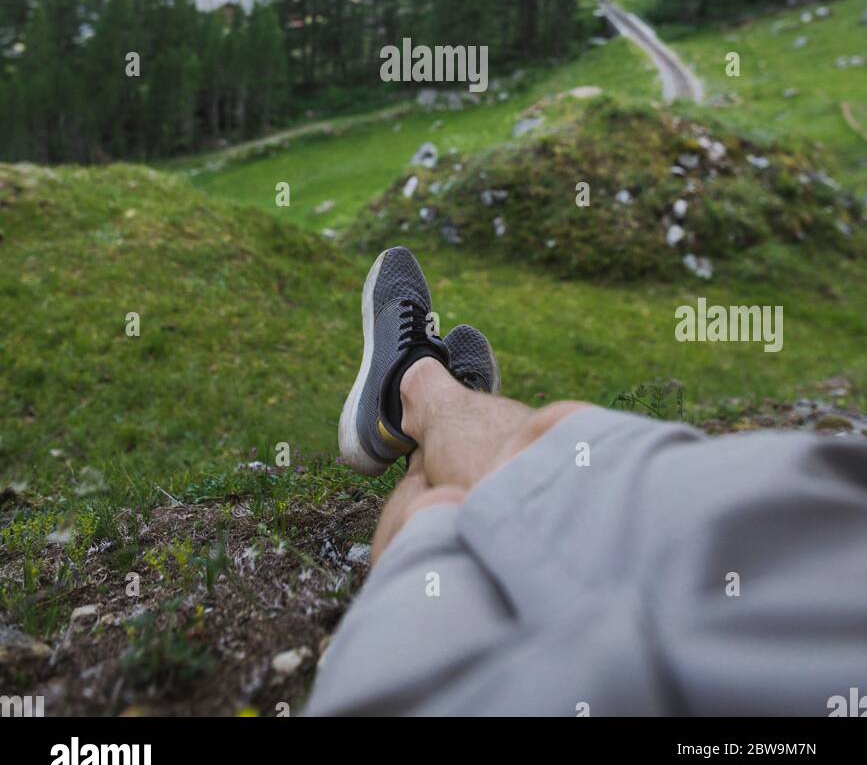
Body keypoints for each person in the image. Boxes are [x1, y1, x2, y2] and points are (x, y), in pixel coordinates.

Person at [305, 247, 867, 717]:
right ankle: (423, 413)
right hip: (821, 570)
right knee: (555, 448)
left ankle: (413, 390)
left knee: (461, 504)